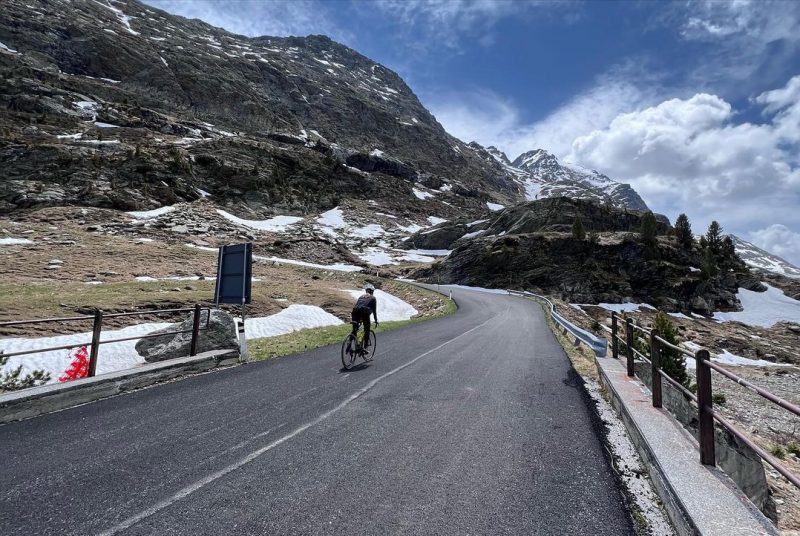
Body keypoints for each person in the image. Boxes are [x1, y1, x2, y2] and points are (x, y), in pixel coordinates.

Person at [351, 283, 378, 348]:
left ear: (366, 291)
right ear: (372, 291)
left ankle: (349, 343)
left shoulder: (361, 297)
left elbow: (357, 306)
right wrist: (376, 320)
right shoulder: (373, 298)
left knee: (355, 329)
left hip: (354, 312)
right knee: (367, 329)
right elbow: (374, 311)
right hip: (364, 313)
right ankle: (365, 347)